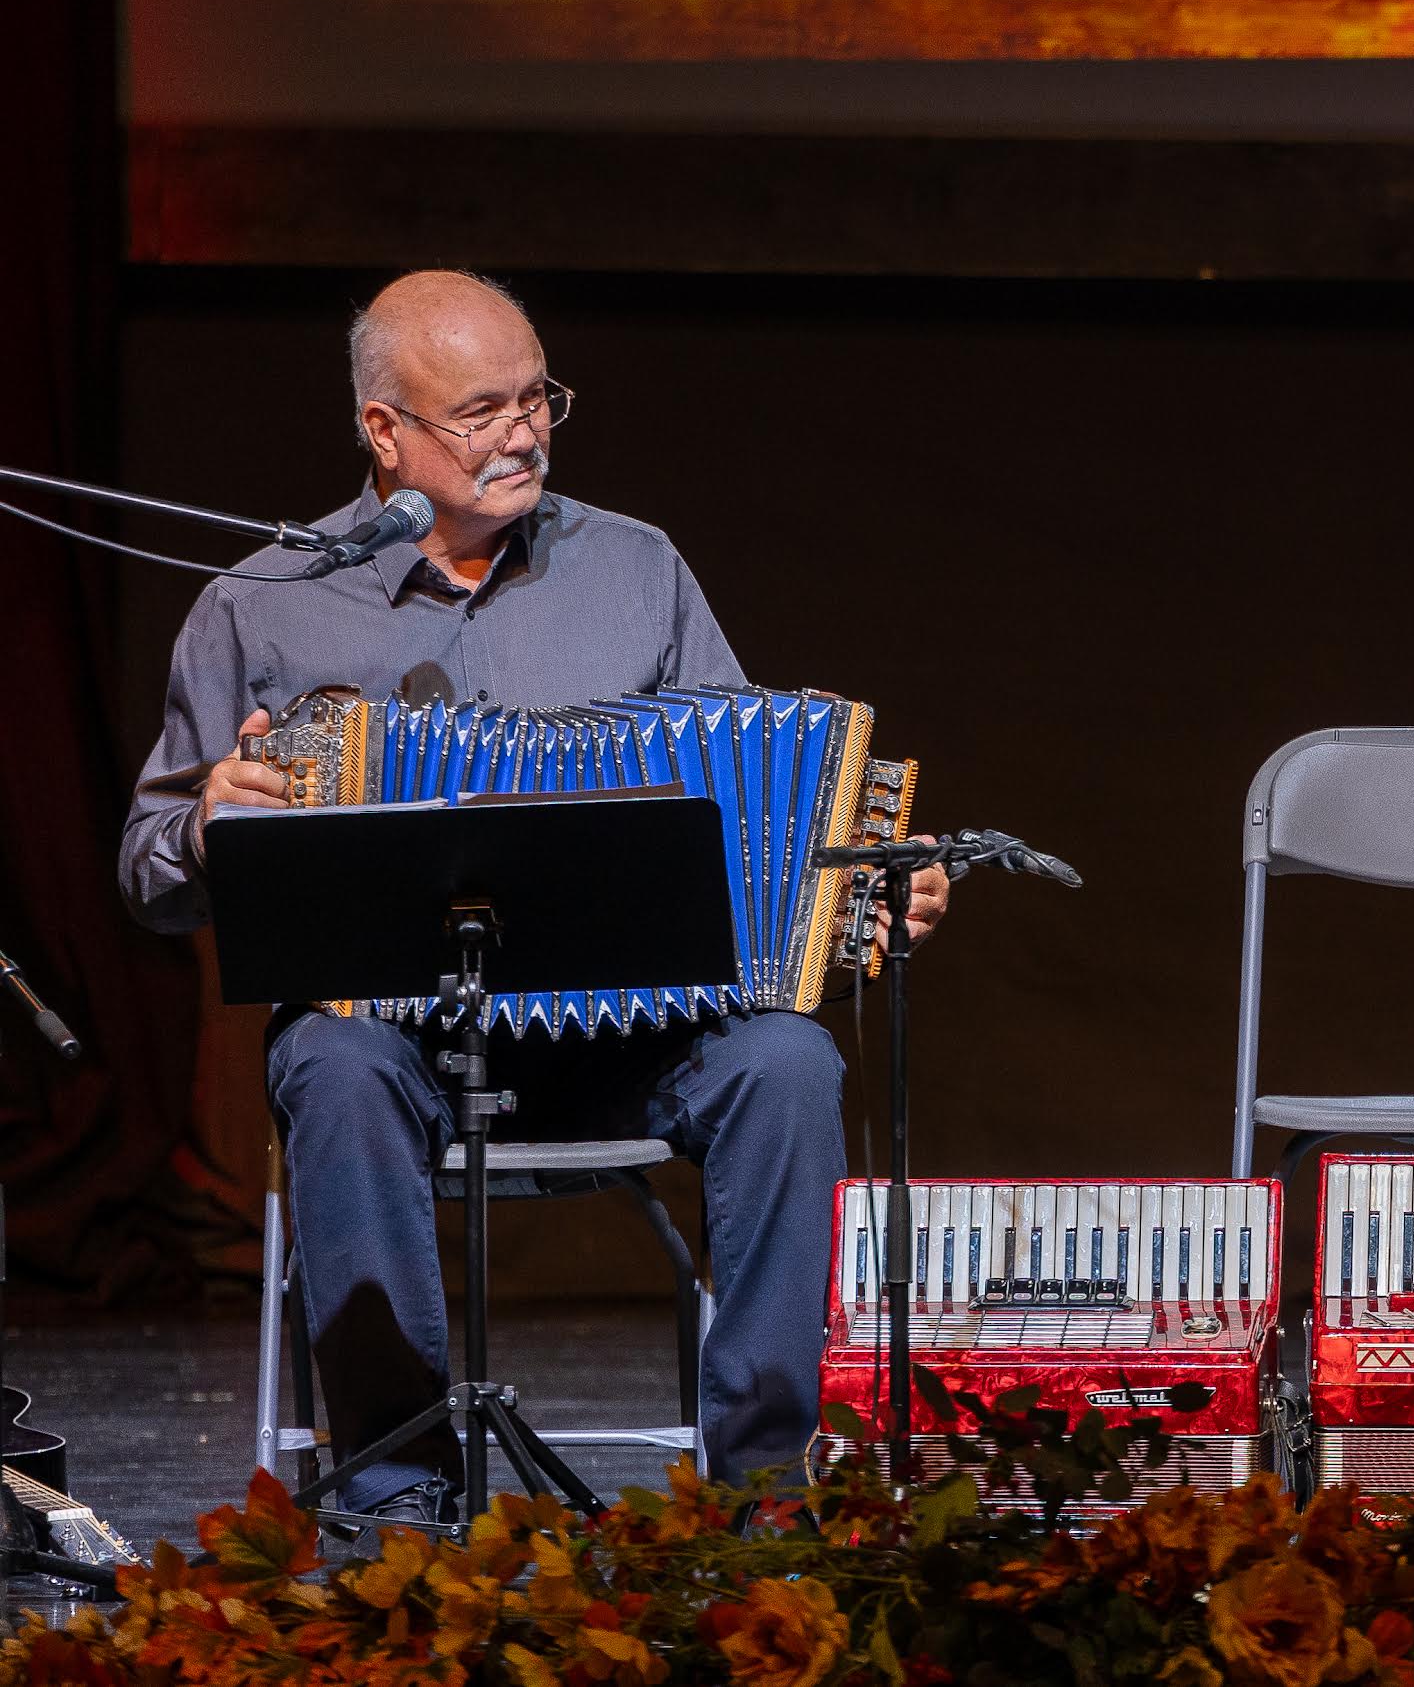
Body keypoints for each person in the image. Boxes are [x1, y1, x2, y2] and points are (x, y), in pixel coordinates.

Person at [118, 270, 949, 1525]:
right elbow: (145, 871)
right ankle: (400, 1487)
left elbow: (755, 815)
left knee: (786, 1061)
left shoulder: (636, 569)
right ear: (383, 430)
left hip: (636, 1035)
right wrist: (206, 824)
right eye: (480, 410)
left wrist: (861, 886)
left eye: (537, 397)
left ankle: (769, 1489)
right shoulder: (261, 604)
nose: (522, 433)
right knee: (331, 1062)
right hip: (398, 1037)